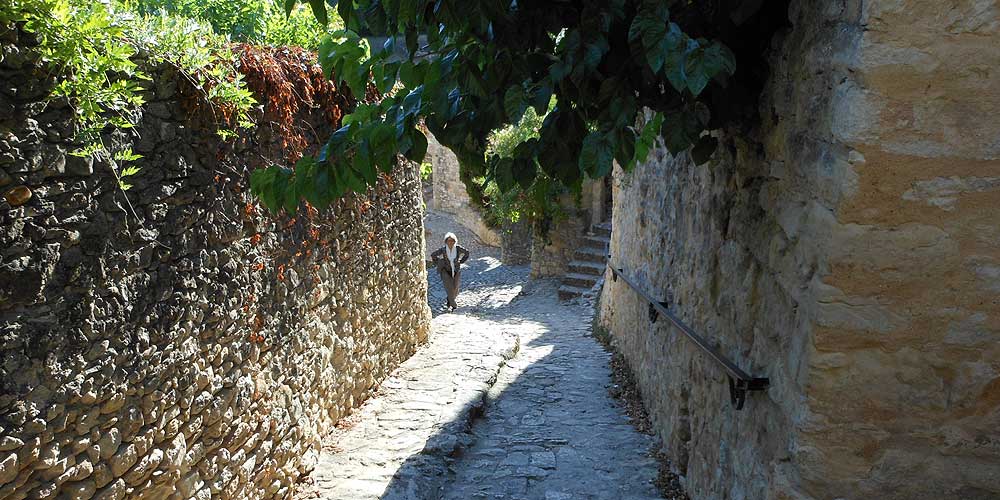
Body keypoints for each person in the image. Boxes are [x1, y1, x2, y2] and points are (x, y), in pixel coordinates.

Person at [430, 232, 470, 310]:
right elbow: (433, 255)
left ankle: (449, 299)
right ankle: (453, 304)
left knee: (455, 288)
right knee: (449, 288)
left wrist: (461, 261)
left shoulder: (458, 248)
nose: (450, 242)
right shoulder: (443, 249)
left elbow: (467, 253)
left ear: (455, 241)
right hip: (445, 270)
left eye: (452, 241)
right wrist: (439, 262)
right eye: (448, 241)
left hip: (456, 270)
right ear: (446, 242)